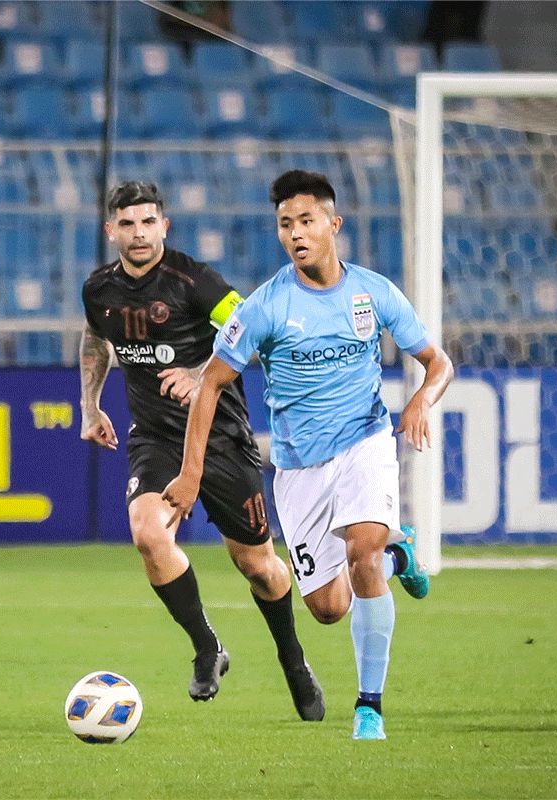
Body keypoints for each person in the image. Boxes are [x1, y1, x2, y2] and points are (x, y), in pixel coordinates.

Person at [163, 169, 451, 740]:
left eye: (306, 221)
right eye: (285, 224)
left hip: (366, 441)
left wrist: (420, 400)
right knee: (326, 607)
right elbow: (211, 384)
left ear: (333, 225)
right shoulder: (267, 306)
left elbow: (438, 363)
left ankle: (369, 707)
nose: (296, 233)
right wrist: (189, 475)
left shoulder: (374, 292)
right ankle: (402, 558)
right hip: (298, 468)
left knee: (363, 552)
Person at [79, 180, 325, 720]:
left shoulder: (196, 281)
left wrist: (199, 372)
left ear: (164, 226)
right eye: (127, 224)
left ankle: (292, 659)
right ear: (111, 231)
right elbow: (97, 339)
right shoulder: (99, 289)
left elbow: (259, 335)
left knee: (258, 566)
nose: (139, 234)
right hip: (156, 439)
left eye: (148, 222)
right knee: (148, 534)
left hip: (222, 438)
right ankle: (207, 648)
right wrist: (90, 404)